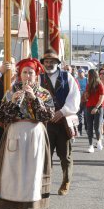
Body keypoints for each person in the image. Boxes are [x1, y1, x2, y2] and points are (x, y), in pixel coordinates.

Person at [0, 58, 55, 209]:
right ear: (20, 74)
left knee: (31, 176)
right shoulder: (11, 90)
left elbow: (47, 115)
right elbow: (0, 116)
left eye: (31, 73)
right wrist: (12, 101)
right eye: (24, 72)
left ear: (36, 75)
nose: (27, 76)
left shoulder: (44, 93)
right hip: (14, 134)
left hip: (34, 135)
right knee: (13, 174)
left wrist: (34, 98)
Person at [39, 49, 80, 196]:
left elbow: (74, 97)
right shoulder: (38, 78)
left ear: (57, 62)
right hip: (46, 123)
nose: (49, 64)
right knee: (45, 156)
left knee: (65, 156)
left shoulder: (67, 76)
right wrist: (45, 113)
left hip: (63, 122)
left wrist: (62, 112)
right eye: (47, 61)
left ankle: (66, 181)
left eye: (52, 61)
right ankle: (45, 184)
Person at [84, 69, 104, 153]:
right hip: (89, 107)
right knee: (89, 127)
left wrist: (96, 107)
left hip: (98, 107)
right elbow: (87, 97)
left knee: (96, 126)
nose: (87, 76)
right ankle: (90, 145)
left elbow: (101, 98)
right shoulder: (88, 85)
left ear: (92, 75)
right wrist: (85, 96)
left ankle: (99, 140)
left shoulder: (100, 84)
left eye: (88, 75)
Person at [77, 69, 88, 135]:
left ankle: (86, 128)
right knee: (79, 115)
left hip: (85, 100)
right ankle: (79, 129)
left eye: (81, 72)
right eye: (79, 72)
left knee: (86, 115)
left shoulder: (87, 80)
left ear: (84, 73)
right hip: (78, 100)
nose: (80, 73)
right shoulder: (76, 79)